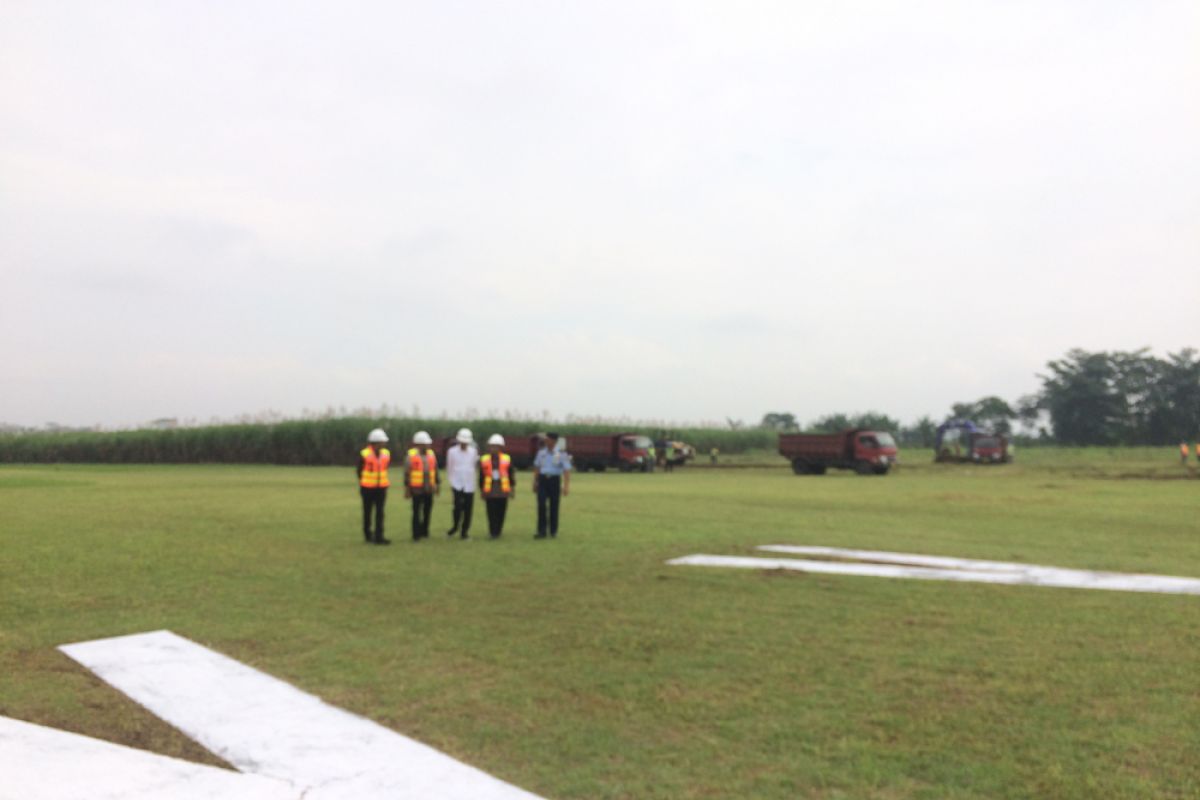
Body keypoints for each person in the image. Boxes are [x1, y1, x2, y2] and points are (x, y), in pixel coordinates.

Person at [532, 432, 571, 539]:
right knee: (541, 505)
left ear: (553, 441)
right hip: (543, 480)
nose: (545, 440)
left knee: (554, 506)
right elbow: (537, 468)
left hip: (554, 480)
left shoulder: (562, 454)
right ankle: (541, 531)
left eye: (547, 439)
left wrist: (566, 486)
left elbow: (566, 470)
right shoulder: (541, 453)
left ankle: (553, 531)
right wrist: (535, 482)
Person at [356, 428, 392, 545]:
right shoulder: (364, 454)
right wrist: (365, 483)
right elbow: (359, 471)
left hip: (381, 488)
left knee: (380, 513)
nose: (385, 443)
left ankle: (379, 536)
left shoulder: (386, 454)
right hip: (367, 488)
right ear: (376, 442)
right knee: (367, 512)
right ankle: (368, 534)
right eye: (383, 441)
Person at [479, 434, 516, 538]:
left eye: (495, 446)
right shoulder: (484, 459)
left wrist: (512, 489)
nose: (493, 448)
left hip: (502, 489)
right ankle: (492, 532)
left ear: (500, 447)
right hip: (489, 489)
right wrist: (481, 489)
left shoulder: (507, 458)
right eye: (491, 446)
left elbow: (511, 475)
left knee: (501, 511)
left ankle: (498, 530)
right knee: (490, 512)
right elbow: (481, 476)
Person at [405, 431, 440, 540]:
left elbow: (435, 470)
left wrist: (437, 485)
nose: (427, 445)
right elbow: (407, 473)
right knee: (416, 512)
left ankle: (425, 531)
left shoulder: (431, 454)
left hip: (429, 488)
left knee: (427, 511)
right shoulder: (410, 456)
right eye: (425, 444)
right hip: (416, 489)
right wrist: (407, 488)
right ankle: (416, 534)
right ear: (419, 444)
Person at [445, 427, 478, 539]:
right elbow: (449, 467)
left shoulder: (473, 452)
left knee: (468, 509)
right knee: (457, 507)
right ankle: (455, 527)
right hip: (457, 483)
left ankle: (464, 532)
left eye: (466, 442)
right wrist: (452, 482)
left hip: (469, 484)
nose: (464, 443)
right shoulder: (452, 452)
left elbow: (473, 466)